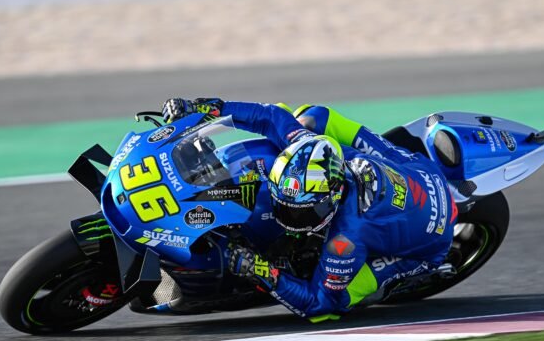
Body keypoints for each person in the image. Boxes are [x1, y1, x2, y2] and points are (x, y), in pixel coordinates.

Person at [162, 98, 459, 322]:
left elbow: (318, 304)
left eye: (299, 213)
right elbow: (270, 116)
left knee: (339, 301)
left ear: (330, 201)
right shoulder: (308, 143)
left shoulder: (346, 240)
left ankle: (398, 275)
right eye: (284, 205)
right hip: (418, 169)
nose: (286, 217)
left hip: (432, 239)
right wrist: (205, 108)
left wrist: (261, 270)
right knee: (311, 117)